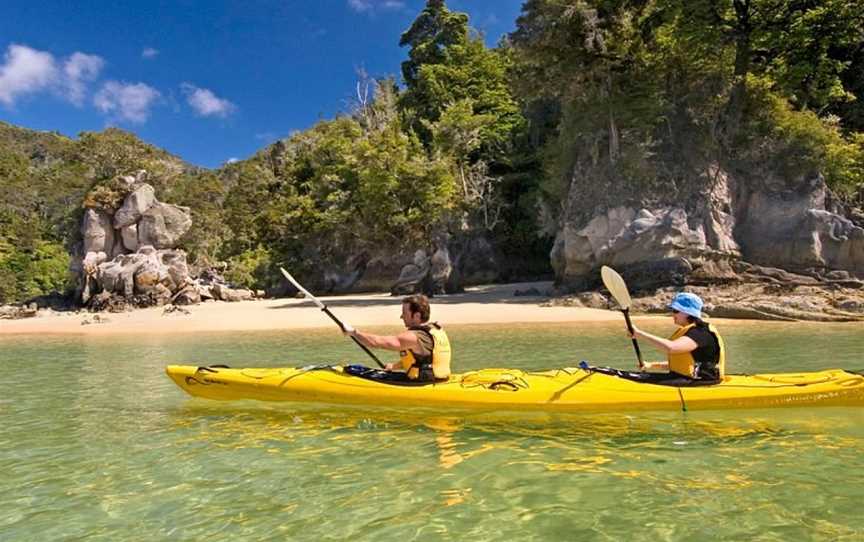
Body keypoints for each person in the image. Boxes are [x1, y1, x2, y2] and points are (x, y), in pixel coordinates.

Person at [342, 294, 452, 382]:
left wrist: (354, 333)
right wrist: (394, 366)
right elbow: (422, 360)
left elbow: (377, 342)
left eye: (404, 313)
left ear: (417, 316)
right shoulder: (435, 329)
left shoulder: (414, 337)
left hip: (423, 383)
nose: (401, 316)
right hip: (439, 379)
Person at [629, 292, 726, 383]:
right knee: (630, 376)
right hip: (684, 379)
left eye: (676, 311)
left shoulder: (700, 332)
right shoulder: (690, 331)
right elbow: (682, 363)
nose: (673, 314)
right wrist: (651, 365)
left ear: (688, 312)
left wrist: (639, 334)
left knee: (635, 379)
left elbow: (671, 348)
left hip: (700, 382)